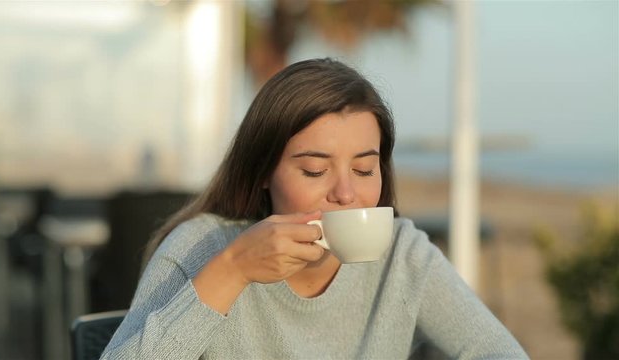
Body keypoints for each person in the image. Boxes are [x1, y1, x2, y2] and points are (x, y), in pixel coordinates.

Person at [101, 58, 528, 359]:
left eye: (364, 169)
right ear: (263, 170)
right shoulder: (200, 248)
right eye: (314, 169)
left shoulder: (403, 255)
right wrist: (232, 270)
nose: (346, 193)